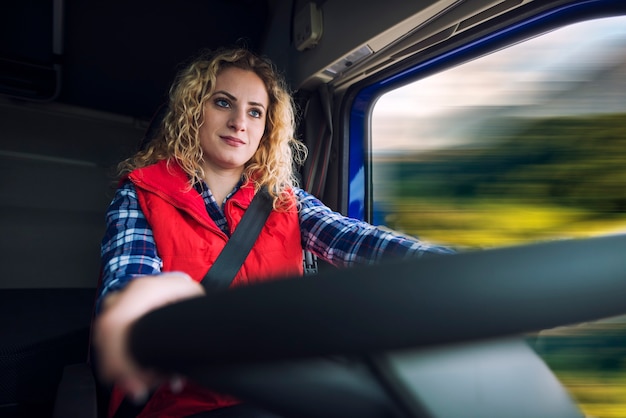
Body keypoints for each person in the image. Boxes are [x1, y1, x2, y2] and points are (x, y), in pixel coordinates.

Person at [93, 46, 454, 418]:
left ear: (267, 128)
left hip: (286, 391)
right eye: (222, 103)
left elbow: (355, 239)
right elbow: (128, 276)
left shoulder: (283, 198)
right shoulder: (142, 193)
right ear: (192, 111)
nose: (239, 122)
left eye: (255, 112)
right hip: (180, 401)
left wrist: (450, 267)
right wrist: (141, 306)